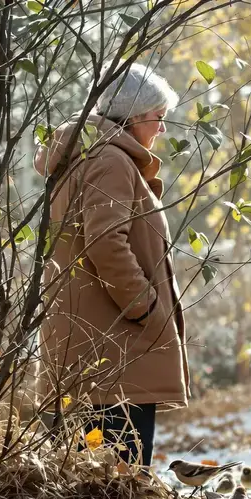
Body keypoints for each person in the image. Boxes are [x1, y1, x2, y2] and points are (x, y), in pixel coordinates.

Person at [33, 63, 189, 467]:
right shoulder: (111, 160)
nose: (162, 130)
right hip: (113, 349)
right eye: (159, 118)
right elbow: (106, 244)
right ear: (135, 117)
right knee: (114, 489)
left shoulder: (93, 156)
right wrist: (145, 308)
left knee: (88, 489)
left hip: (95, 346)